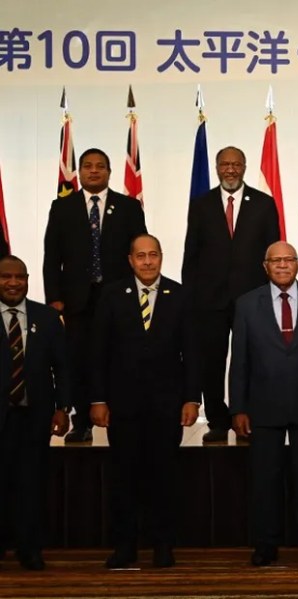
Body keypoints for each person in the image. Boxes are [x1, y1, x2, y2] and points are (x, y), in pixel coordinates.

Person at [90, 234, 201, 569]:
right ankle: (124, 547)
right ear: (130, 260)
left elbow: (192, 352)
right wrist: (98, 399)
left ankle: (163, 546)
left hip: (167, 406)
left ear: (161, 257)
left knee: (164, 478)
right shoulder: (111, 295)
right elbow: (98, 351)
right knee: (124, 478)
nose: (148, 261)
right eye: (141, 256)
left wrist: (192, 398)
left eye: (153, 255)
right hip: (123, 406)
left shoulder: (180, 295)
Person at [230, 241, 298, 568]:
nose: (282, 265)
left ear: (297, 265)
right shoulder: (246, 304)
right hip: (263, 407)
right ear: (265, 266)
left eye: (288, 259)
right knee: (264, 481)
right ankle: (265, 545)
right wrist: (238, 407)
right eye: (275, 260)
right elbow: (239, 361)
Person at [43, 148, 146, 443]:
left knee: (119, 358)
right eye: (87, 166)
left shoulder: (128, 207)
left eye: (100, 166)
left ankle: (120, 418)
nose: (94, 170)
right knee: (78, 359)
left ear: (109, 172)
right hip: (76, 300)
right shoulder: (62, 207)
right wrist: (54, 299)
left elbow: (139, 250)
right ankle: (82, 421)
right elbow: (52, 256)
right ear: (80, 172)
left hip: (118, 298)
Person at [182, 146, 281, 444]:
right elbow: (191, 255)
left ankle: (248, 416)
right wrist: (190, 297)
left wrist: (272, 296)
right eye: (225, 164)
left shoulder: (264, 204)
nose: (230, 169)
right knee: (211, 362)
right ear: (216, 168)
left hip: (252, 299)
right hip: (209, 300)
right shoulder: (201, 205)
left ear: (245, 167)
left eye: (236, 164)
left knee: (251, 359)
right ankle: (217, 420)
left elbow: (273, 254)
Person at [0, 255, 70, 570]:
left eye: (20, 277)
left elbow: (63, 367)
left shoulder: (47, 317)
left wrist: (63, 408)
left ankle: (29, 549)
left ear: (28, 280)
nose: (13, 283)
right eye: (6, 277)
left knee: (32, 485)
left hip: (34, 417)